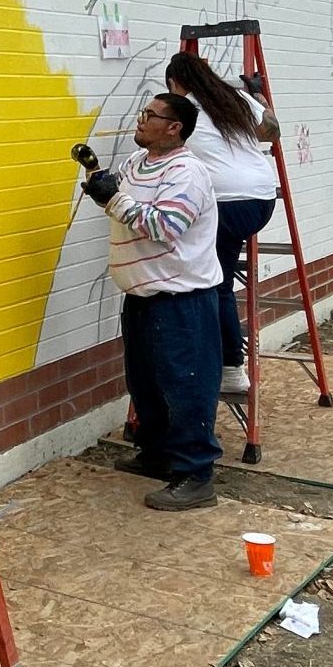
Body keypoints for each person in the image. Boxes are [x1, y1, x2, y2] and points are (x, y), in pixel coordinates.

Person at [82, 92, 225, 510]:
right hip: (142, 295)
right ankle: (158, 454)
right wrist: (102, 185)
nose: (140, 120)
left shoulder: (187, 173)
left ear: (174, 127)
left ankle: (196, 475)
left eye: (150, 115)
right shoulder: (136, 164)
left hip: (180, 299)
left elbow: (165, 225)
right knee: (146, 385)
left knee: (186, 387)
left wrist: (113, 198)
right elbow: (125, 206)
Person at [165, 52, 279, 397]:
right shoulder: (235, 97)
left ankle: (232, 367)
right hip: (262, 197)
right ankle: (225, 359)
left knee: (218, 286)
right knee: (219, 277)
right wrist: (257, 96)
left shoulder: (181, 110)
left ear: (175, 83)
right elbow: (271, 131)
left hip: (226, 203)